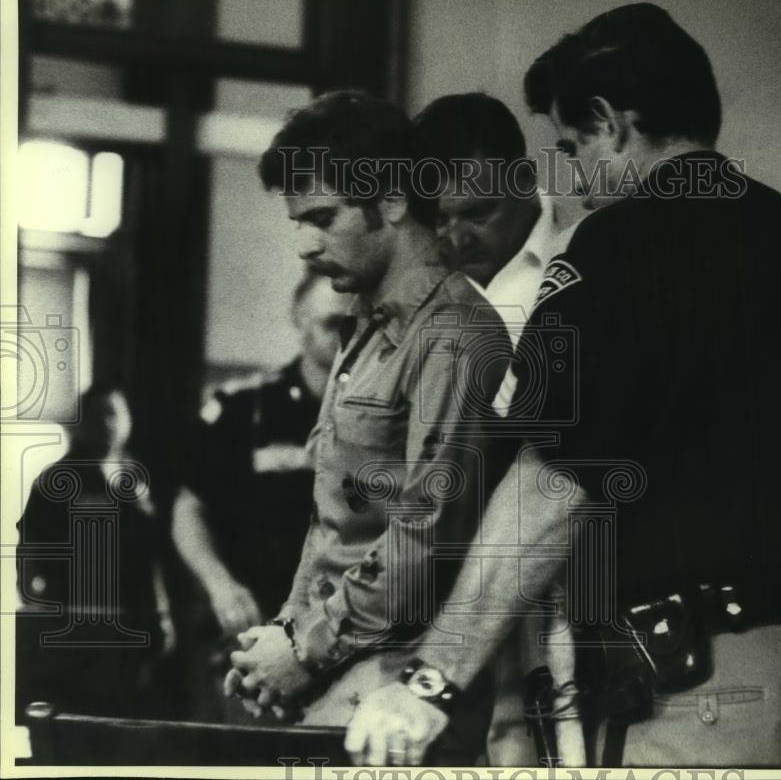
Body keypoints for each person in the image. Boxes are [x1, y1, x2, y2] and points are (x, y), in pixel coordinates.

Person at [344, 3, 781, 767]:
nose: (578, 179)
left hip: (705, 695)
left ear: (608, 121)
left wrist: (432, 681)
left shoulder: (613, 245)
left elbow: (552, 486)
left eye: (571, 147)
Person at [224, 90, 510, 765]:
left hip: (397, 686)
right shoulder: (368, 327)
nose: (303, 244)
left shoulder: (453, 334)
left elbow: (427, 534)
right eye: (298, 221)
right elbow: (331, 526)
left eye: (322, 218)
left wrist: (303, 648)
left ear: (391, 201)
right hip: (340, 668)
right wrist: (282, 640)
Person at [414, 92, 582, 766]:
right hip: (448, 582)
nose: (455, 237)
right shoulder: (425, 289)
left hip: (570, 576)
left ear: (524, 182)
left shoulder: (587, 266)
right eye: (439, 217)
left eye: (477, 213)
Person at [172, 271, 350, 720]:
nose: (345, 339)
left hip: (341, 628)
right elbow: (188, 506)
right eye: (332, 325)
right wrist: (219, 584)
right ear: (299, 320)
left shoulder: (382, 412)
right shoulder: (245, 406)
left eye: (354, 326)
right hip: (253, 620)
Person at [16, 385, 173, 719]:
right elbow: (30, 550)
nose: (109, 423)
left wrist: (162, 613)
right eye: (99, 414)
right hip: (77, 624)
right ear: (81, 422)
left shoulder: (136, 479)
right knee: (79, 717)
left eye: (116, 413)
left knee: (127, 716)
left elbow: (151, 557)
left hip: (131, 619)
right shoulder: (56, 480)